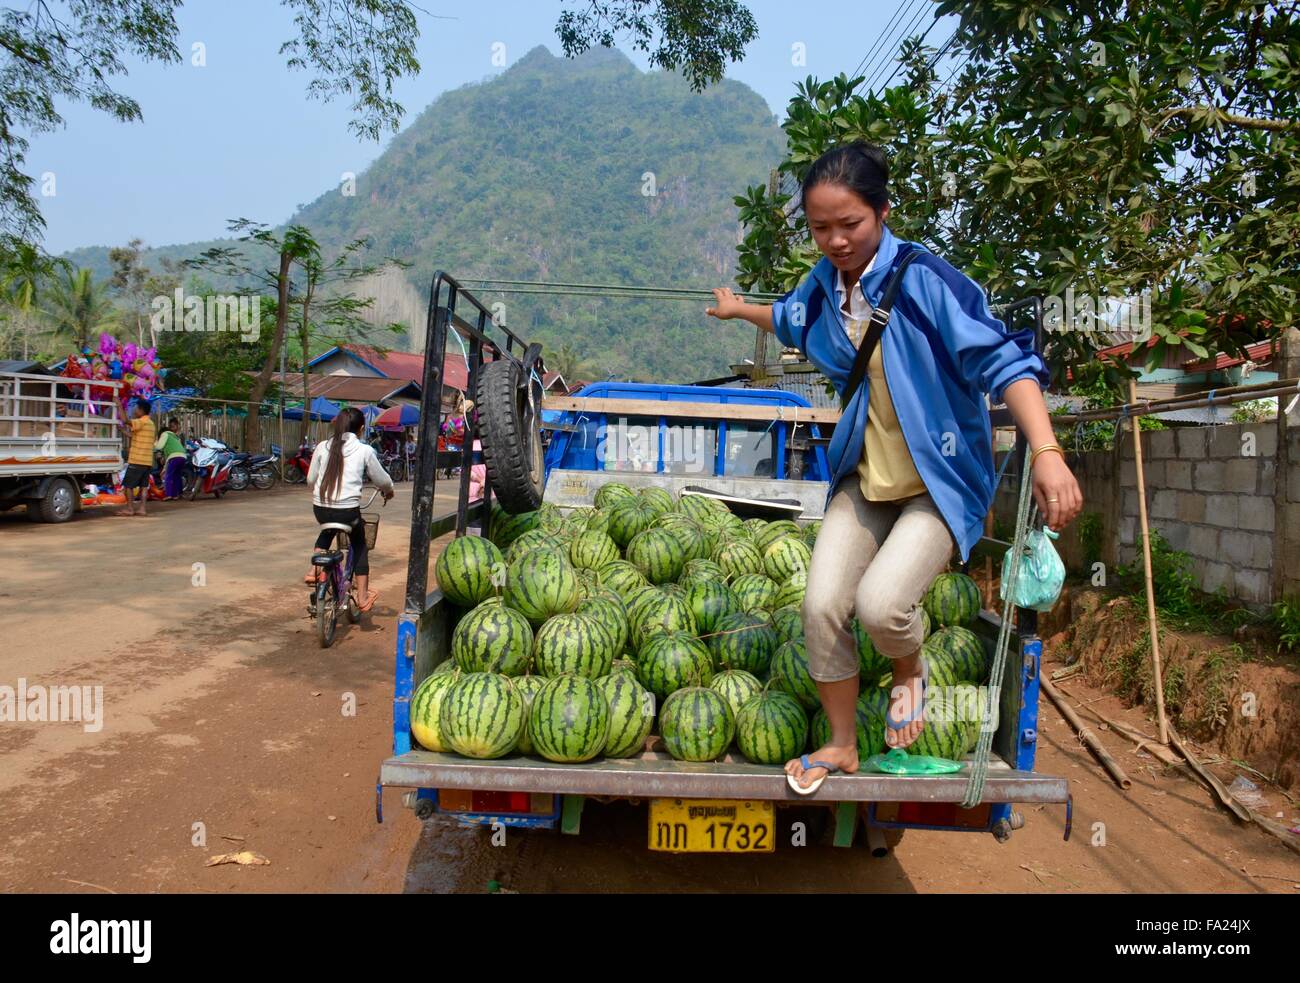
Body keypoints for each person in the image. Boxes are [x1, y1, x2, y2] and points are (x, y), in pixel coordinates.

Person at [706, 142, 1083, 793]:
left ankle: (909, 667)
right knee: (821, 603)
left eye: (849, 224)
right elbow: (793, 322)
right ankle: (843, 742)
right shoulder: (823, 289)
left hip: (938, 487)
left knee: (882, 607)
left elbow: (1005, 361)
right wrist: (742, 309)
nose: (835, 240)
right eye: (820, 227)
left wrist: (1046, 450)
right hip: (868, 479)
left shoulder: (926, 280)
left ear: (882, 210)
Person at [305, 406, 395, 613]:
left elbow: (311, 480)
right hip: (348, 512)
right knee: (360, 544)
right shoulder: (364, 450)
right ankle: (362, 598)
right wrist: (388, 491)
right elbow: (382, 480)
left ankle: (313, 571)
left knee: (327, 531)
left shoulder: (322, 446)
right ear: (361, 429)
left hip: (320, 508)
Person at [117, 399, 156, 516]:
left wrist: (119, 405)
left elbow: (125, 420)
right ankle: (142, 509)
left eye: (136, 408)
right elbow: (133, 436)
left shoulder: (141, 421)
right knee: (144, 487)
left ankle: (130, 509)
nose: (134, 410)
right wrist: (122, 430)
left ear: (141, 410)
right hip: (147, 461)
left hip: (137, 460)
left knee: (128, 486)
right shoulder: (150, 424)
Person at [154, 417, 187, 500]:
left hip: (174, 457)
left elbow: (159, 446)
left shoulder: (165, 434)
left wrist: (155, 443)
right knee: (177, 476)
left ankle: (168, 495)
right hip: (183, 457)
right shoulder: (175, 436)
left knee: (168, 476)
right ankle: (178, 494)